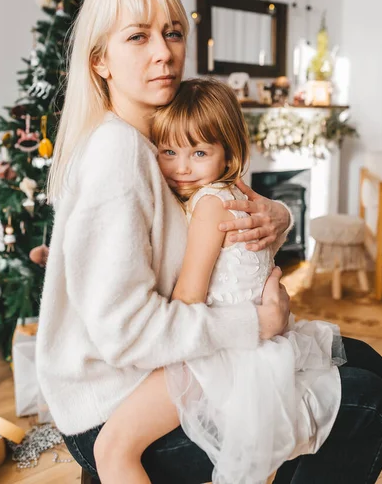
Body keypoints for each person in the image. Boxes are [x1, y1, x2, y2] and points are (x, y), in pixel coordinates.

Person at [36, 0, 382, 484]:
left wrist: (281, 214)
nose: (164, 52)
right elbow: (126, 333)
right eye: (137, 37)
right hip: (114, 405)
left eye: (173, 32)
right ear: (100, 60)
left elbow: (220, 201)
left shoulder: (156, 142)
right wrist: (257, 325)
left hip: (156, 369)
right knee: (370, 404)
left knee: (361, 359)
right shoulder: (117, 153)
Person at [92, 77, 347, 484]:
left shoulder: (209, 205)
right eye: (169, 151)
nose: (181, 167)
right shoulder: (233, 196)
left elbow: (189, 297)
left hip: (214, 355)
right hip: (255, 345)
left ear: (228, 152)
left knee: (111, 449)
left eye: (198, 152)